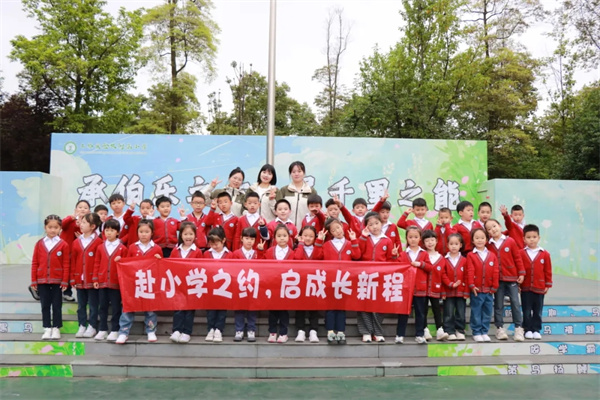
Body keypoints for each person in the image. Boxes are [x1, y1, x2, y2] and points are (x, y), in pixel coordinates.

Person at [315, 218, 361, 344]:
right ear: (330, 233)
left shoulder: (349, 243)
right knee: (330, 307)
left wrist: (354, 240)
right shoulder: (327, 245)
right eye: (333, 230)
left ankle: (341, 331)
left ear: (342, 226)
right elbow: (317, 256)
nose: (337, 231)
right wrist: (319, 240)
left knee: (341, 307)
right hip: (330, 281)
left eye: (338, 227)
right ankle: (330, 331)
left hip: (345, 281)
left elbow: (357, 256)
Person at [116, 219, 162, 344]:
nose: (143, 234)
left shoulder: (157, 248)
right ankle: (123, 332)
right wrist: (120, 260)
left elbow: (161, 268)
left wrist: (159, 260)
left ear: (152, 233)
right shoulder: (132, 247)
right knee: (128, 307)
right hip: (134, 283)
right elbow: (127, 264)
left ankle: (151, 330)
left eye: (147, 232)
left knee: (150, 309)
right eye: (141, 231)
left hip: (150, 283)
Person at [357, 212, 399, 343]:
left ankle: (377, 332)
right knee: (364, 305)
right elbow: (357, 254)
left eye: (376, 223)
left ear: (381, 224)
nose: (374, 227)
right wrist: (363, 237)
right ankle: (366, 332)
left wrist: (394, 256)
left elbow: (390, 262)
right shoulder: (364, 238)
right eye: (371, 224)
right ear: (366, 227)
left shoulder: (387, 240)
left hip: (380, 278)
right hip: (364, 277)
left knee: (379, 306)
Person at [485, 218, 526, 342]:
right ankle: (500, 328)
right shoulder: (488, 245)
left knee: (515, 302)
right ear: (487, 232)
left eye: (494, 226)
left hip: (512, 278)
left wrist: (521, 272)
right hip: (497, 280)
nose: (493, 229)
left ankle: (518, 328)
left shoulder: (510, 241)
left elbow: (517, 258)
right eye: (489, 229)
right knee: (498, 304)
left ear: (499, 225)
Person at [31, 215, 70, 340]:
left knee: (57, 305)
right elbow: (35, 263)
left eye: (56, 227)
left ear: (60, 228)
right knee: (45, 305)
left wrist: (65, 281)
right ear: (45, 228)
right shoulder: (39, 244)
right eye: (50, 227)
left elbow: (66, 264)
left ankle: (56, 328)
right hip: (42, 280)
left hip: (57, 280)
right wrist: (34, 280)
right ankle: (47, 328)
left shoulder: (63, 244)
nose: (53, 230)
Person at [92, 219, 127, 341]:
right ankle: (102, 329)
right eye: (107, 230)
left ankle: (115, 329)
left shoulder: (122, 248)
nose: (109, 233)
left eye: (112, 230)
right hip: (102, 282)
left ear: (118, 232)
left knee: (116, 307)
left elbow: (126, 265)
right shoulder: (100, 247)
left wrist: (121, 261)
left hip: (116, 283)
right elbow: (96, 263)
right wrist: (95, 278)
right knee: (103, 306)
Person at [258, 224, 294, 343]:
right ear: (274, 238)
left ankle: (283, 333)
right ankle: (272, 332)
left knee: (283, 310)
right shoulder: (269, 251)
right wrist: (260, 251)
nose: (282, 238)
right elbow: (262, 264)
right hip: (272, 285)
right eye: (279, 236)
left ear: (289, 237)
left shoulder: (292, 253)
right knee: (272, 310)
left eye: (284, 235)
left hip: (286, 286)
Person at [396, 226, 432, 345]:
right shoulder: (403, 254)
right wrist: (394, 256)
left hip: (420, 288)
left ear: (420, 238)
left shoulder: (424, 254)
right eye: (410, 237)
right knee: (403, 312)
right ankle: (400, 334)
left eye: (416, 237)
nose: (413, 239)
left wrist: (420, 264)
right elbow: (397, 268)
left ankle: (419, 334)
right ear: (406, 238)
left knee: (420, 313)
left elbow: (430, 267)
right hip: (406, 288)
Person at [70, 212, 103, 339]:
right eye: (81, 222)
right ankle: (82, 325)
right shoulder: (76, 242)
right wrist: (73, 277)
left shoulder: (98, 242)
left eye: (84, 222)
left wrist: (96, 277)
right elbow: (73, 261)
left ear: (93, 226)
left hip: (92, 280)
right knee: (81, 305)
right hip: (79, 279)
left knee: (93, 305)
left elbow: (99, 262)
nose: (81, 225)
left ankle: (92, 326)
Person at [169, 222, 204, 344]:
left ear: (195, 235)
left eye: (191, 234)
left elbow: (200, 268)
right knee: (178, 309)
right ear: (181, 235)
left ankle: (187, 332)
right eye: (185, 234)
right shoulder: (175, 250)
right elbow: (170, 266)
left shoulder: (197, 252)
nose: (188, 237)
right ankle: (176, 330)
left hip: (192, 285)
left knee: (189, 310)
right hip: (178, 285)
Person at [520, 224, 553, 340]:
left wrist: (548, 284)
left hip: (539, 287)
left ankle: (536, 329)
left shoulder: (545, 254)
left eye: (534, 237)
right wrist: (519, 284)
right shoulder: (521, 253)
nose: (531, 239)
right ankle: (527, 329)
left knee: (538, 310)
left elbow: (548, 270)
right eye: (528, 237)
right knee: (526, 309)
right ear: (524, 239)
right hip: (525, 287)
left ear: (539, 238)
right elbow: (519, 269)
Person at [466, 228, 499, 342]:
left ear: (486, 240)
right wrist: (471, 285)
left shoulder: (492, 255)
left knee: (487, 312)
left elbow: (495, 271)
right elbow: (470, 270)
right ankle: (476, 332)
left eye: (482, 238)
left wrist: (494, 286)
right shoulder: (471, 255)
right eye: (477, 238)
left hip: (489, 290)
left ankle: (484, 331)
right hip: (477, 289)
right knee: (476, 311)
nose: (479, 240)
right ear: (473, 240)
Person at [293, 225, 323, 343]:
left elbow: (318, 257)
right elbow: (297, 258)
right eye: (305, 235)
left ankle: (313, 331)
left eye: (311, 236)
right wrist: (300, 244)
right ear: (301, 236)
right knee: (300, 308)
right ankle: (300, 330)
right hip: (300, 282)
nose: (308, 238)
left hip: (315, 282)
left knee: (314, 307)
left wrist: (319, 242)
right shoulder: (297, 248)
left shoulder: (318, 247)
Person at [58, 200, 90, 302]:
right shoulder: (70, 219)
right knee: (58, 271)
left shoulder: (88, 224)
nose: (82, 209)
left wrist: (80, 225)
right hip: (63, 251)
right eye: (80, 207)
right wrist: (72, 217)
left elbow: (83, 234)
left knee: (69, 272)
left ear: (89, 211)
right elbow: (62, 225)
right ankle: (40, 289)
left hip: (75, 252)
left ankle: (67, 293)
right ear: (75, 209)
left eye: (85, 208)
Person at [231, 227, 260, 342]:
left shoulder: (257, 253)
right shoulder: (236, 253)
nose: (249, 241)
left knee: (252, 308)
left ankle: (251, 330)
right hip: (240, 285)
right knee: (239, 308)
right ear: (241, 239)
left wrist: (261, 252)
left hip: (253, 286)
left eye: (252, 239)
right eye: (247, 238)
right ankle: (239, 330)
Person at [203, 227, 231, 343]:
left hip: (224, 288)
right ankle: (210, 329)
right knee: (210, 310)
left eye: (216, 243)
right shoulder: (206, 254)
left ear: (223, 240)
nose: (214, 246)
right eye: (211, 243)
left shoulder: (229, 254)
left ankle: (219, 329)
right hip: (210, 287)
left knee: (222, 310)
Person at [421, 230, 447, 341]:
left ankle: (440, 330)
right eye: (427, 241)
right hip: (423, 288)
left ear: (436, 241)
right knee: (423, 309)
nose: (430, 243)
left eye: (432, 240)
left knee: (437, 309)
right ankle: (425, 330)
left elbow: (443, 275)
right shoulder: (422, 255)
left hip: (436, 288)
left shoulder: (441, 258)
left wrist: (445, 289)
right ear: (423, 242)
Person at [441, 234, 468, 341]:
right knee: (448, 313)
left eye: (456, 244)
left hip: (461, 292)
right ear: (447, 245)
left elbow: (467, 276)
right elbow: (442, 275)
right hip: (448, 292)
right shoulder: (444, 260)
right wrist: (448, 286)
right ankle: (449, 331)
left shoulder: (464, 260)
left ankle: (460, 330)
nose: (453, 246)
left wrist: (466, 292)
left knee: (461, 313)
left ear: (460, 245)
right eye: (451, 244)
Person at [277, 161, 317, 230]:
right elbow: (277, 209)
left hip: (306, 230)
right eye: (293, 172)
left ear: (304, 173)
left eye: (299, 171)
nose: (296, 174)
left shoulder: (311, 191)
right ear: (290, 174)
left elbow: (316, 210)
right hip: (286, 230)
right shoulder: (284, 190)